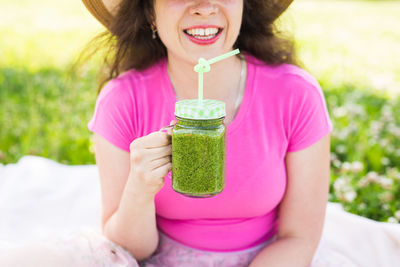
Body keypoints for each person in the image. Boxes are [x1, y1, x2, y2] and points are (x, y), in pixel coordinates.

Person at [0, 0, 332, 266]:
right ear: (150, 12)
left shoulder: (295, 94)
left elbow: (299, 237)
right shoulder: (123, 100)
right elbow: (131, 248)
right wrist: (140, 189)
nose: (205, 6)